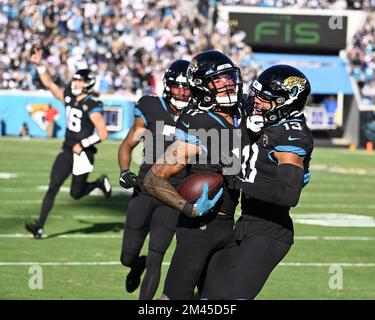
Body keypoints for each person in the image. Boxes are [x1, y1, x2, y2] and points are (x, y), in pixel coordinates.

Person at [144, 50, 250, 300]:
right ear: (202, 86)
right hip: (199, 228)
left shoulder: (241, 113)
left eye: (230, 77)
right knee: (174, 297)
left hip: (230, 224)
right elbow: (153, 178)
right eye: (219, 80)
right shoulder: (200, 122)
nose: (228, 84)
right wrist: (188, 209)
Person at [217, 65, 314, 300]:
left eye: (264, 98)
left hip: (269, 230)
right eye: (256, 94)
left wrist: (239, 183)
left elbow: (289, 195)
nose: (256, 101)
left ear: (286, 102)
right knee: (210, 296)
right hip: (246, 222)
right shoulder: (269, 123)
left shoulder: (292, 134)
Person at [118, 60, 192, 300]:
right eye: (177, 86)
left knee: (156, 257)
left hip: (172, 195)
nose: (181, 92)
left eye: (186, 87)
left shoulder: (198, 116)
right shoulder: (151, 107)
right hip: (144, 191)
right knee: (127, 257)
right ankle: (134, 264)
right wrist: (123, 171)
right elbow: (128, 144)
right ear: (167, 86)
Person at [25, 46, 112, 239]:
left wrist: (83, 144)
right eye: (75, 79)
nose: (75, 83)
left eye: (80, 81)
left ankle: (98, 183)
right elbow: (50, 84)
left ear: (87, 84)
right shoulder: (69, 96)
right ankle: (39, 226)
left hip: (83, 152)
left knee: (76, 193)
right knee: (53, 185)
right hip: (66, 149)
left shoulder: (92, 105)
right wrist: (40, 65)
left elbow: (103, 133)